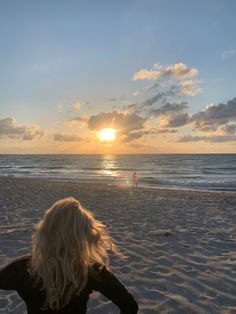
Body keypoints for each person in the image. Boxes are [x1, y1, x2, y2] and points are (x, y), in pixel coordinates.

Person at [0, 197, 138, 314]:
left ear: (45, 230)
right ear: (83, 234)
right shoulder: (92, 270)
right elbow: (130, 306)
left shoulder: (23, 268)